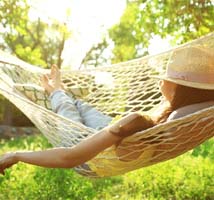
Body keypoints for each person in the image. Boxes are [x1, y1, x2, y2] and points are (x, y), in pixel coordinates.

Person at [0, 45, 214, 176]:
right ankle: (64, 93)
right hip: (115, 132)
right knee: (83, 108)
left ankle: (56, 93)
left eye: (167, 80)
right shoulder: (193, 118)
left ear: (181, 89)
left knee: (69, 112)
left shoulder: (147, 123)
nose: (161, 84)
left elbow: (70, 157)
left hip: (88, 154)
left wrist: (16, 155)